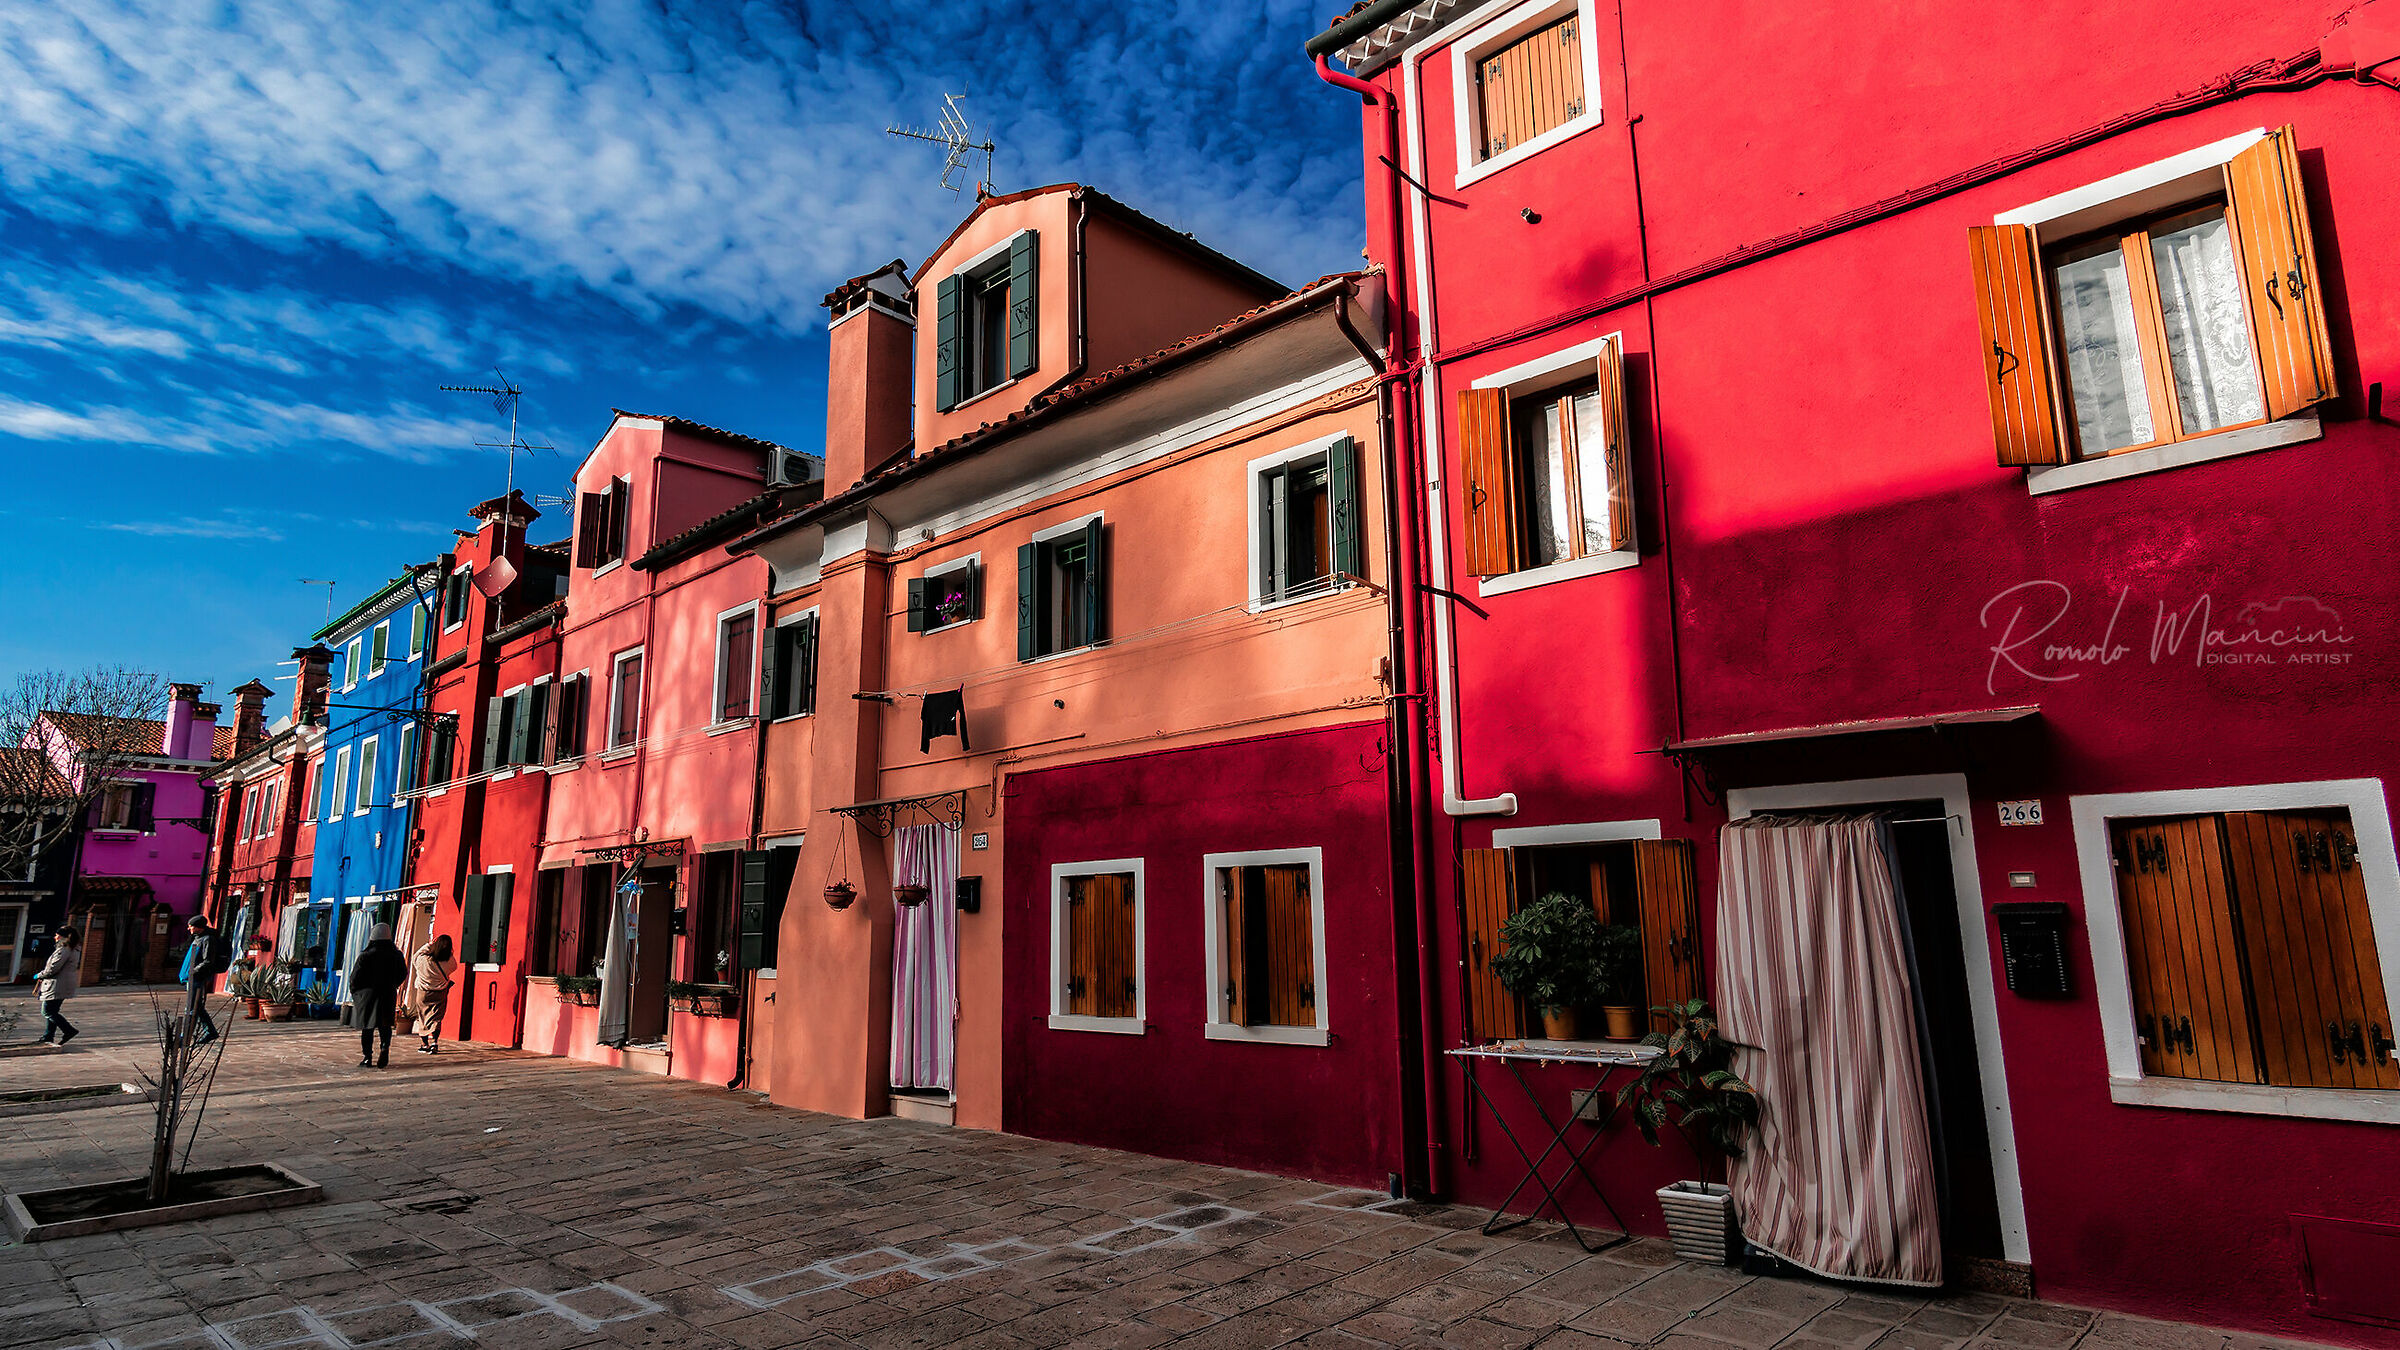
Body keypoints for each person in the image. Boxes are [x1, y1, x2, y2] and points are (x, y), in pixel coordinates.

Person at [346, 923, 408, 1068]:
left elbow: (355, 977)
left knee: (367, 1027)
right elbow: (402, 973)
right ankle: (384, 1047)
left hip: (367, 995)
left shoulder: (366, 955)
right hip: (387, 993)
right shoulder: (396, 955)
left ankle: (367, 1057)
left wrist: (355, 991)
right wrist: (393, 985)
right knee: (385, 1025)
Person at [179, 914, 232, 1045]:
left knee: (191, 1008)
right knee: (197, 1007)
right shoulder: (198, 938)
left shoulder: (208, 939)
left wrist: (193, 972)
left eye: (190, 926)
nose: (188, 928)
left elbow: (208, 961)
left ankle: (184, 1037)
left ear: (198, 927)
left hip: (197, 978)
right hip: (191, 978)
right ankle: (210, 1032)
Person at [33, 926, 82, 1045]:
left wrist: (40, 975)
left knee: (47, 1011)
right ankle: (48, 1036)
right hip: (63, 984)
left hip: (57, 984)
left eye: (57, 935)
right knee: (53, 1011)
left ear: (62, 937)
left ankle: (69, 1030)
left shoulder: (64, 950)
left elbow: (53, 968)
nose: (55, 937)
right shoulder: (74, 949)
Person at [409, 933, 456, 1054]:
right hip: (440, 992)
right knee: (436, 1018)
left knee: (423, 1017)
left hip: (423, 992)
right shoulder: (449, 961)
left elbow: (415, 956)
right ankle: (435, 1042)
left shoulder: (423, 960)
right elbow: (454, 966)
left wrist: (429, 945)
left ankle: (424, 1044)